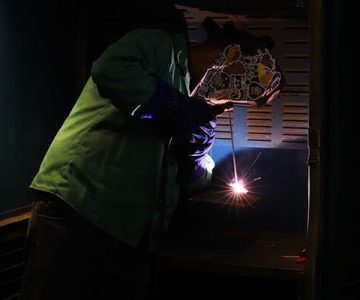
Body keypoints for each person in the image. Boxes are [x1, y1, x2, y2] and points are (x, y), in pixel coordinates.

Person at [19, 2, 282, 299]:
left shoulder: (196, 103)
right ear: (228, 60)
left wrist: (195, 155)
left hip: (131, 237)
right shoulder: (157, 46)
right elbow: (109, 70)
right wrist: (174, 107)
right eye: (232, 98)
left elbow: (195, 180)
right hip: (76, 213)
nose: (227, 105)